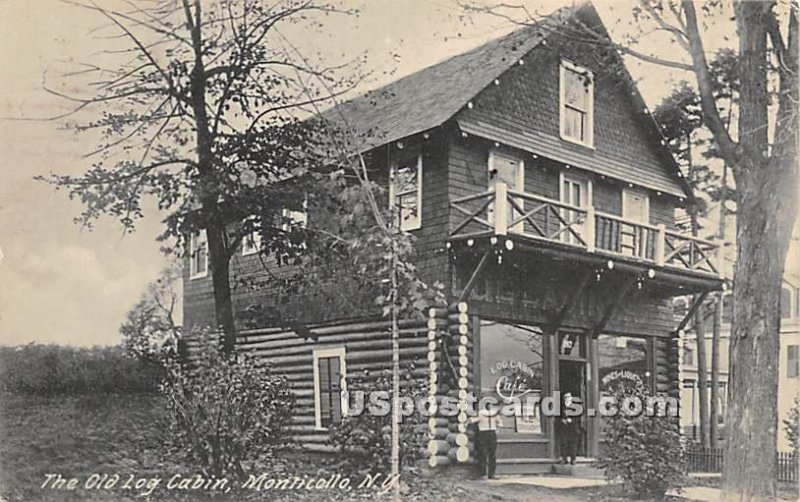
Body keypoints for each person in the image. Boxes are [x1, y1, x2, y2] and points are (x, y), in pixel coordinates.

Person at [471, 401, 502, 479]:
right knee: (483, 453)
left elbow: (499, 422)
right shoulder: (481, 413)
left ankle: (492, 474)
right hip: (483, 433)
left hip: (492, 433)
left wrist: (497, 429)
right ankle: (483, 473)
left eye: (491, 405)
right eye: (489, 405)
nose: (490, 407)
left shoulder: (494, 414)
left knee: (492, 454)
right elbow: (473, 420)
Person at [558, 392, 581, 465]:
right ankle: (564, 459)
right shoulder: (561, 407)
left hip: (573, 428)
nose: (567, 398)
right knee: (564, 443)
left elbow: (579, 417)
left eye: (568, 397)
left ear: (571, 398)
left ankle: (573, 459)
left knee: (573, 444)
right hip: (564, 428)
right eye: (565, 397)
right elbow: (558, 416)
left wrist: (572, 420)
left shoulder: (576, 407)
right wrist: (562, 420)